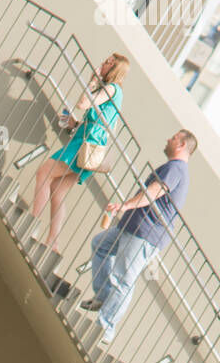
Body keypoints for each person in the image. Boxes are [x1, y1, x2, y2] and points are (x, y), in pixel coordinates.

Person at [82, 129, 198, 341]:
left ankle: (104, 328)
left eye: (173, 138)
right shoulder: (174, 168)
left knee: (123, 279)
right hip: (134, 228)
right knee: (100, 245)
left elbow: (154, 192)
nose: (167, 138)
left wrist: (125, 206)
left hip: (145, 232)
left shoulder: (175, 169)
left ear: (182, 145)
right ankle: (104, 297)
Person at [32, 54, 130, 252]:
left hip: (85, 145)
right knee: (58, 192)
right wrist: (75, 124)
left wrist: (93, 81)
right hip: (89, 145)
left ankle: (31, 224)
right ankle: (53, 242)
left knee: (44, 173)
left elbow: (83, 103)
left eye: (107, 62)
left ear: (113, 69)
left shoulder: (112, 88)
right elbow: (98, 119)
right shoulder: (113, 91)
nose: (102, 63)